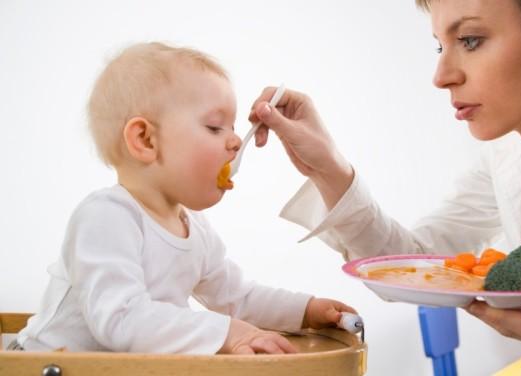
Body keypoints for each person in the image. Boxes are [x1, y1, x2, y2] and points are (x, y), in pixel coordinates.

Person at [246, 0, 521, 374]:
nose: (440, 76)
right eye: (440, 45)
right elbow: (414, 265)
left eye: (470, 40)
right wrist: (329, 168)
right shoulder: (509, 157)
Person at [12, 42, 356, 355]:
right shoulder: (106, 217)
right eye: (214, 127)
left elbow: (237, 297)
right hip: (39, 367)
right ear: (145, 140)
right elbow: (121, 319)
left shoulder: (195, 229)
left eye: (234, 127)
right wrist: (228, 334)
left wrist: (305, 311)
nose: (236, 142)